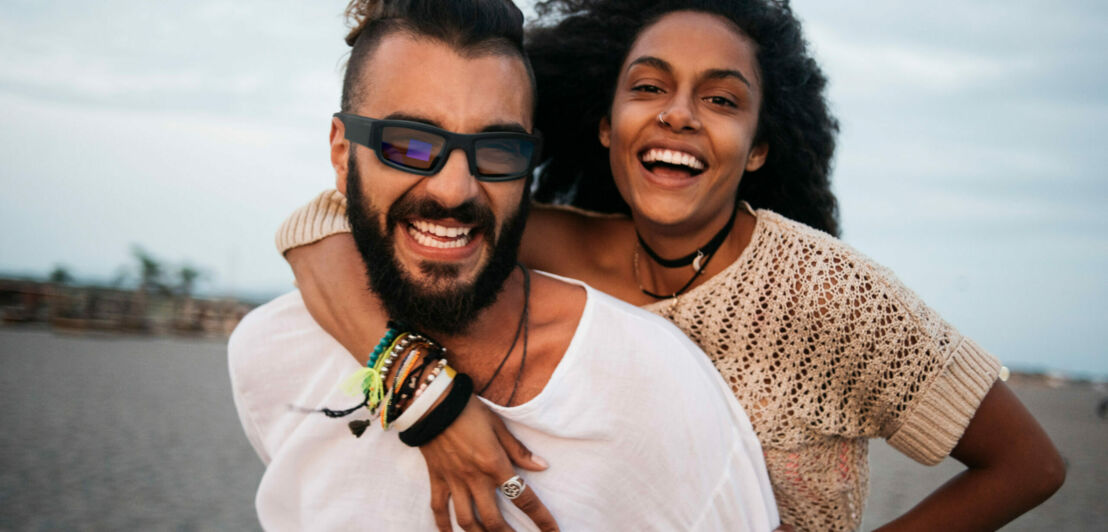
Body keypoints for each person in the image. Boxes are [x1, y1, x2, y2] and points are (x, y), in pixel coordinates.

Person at [277, 1, 1067, 531]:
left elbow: (1029, 464)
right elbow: (325, 225)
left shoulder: (829, 293)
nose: (678, 113)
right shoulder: (545, 242)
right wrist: (424, 397)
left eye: (721, 100)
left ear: (760, 145)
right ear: (605, 124)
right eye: (648, 86)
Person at [229, 1, 781, 530]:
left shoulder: (658, 384)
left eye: (496, 151)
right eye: (411, 145)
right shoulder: (270, 351)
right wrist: (423, 398)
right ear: (342, 152)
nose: (453, 190)